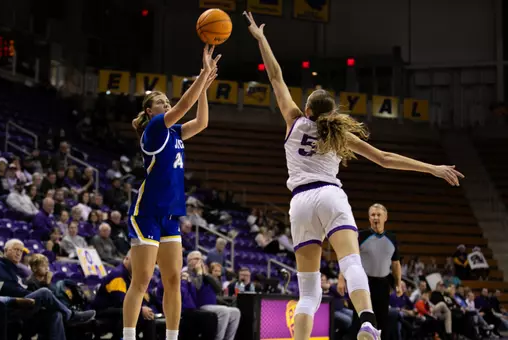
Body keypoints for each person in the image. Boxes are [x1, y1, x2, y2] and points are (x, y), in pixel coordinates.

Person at [243, 11, 464, 340]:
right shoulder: (339, 135)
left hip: (299, 203)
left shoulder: (293, 120)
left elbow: (275, 78)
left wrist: (262, 40)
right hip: (329, 195)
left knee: (308, 293)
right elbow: (385, 159)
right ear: (330, 114)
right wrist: (433, 168)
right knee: (351, 263)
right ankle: (367, 322)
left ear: (307, 110)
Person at [122, 45, 220, 340]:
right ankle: (128, 336)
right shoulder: (153, 129)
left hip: (170, 215)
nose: (166, 104)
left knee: (174, 280)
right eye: (160, 102)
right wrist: (202, 75)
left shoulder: (175, 132)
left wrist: (205, 87)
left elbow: (201, 122)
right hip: (147, 212)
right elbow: (181, 108)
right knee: (140, 282)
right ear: (149, 111)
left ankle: (173, 337)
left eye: (167, 100)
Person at [337, 204, 401, 340]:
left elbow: (396, 263)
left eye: (379, 214)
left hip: (383, 285)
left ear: (386, 217)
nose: (375, 217)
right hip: (363, 284)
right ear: (369, 218)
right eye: (373, 215)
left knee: (381, 322)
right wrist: (341, 279)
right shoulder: (360, 236)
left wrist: (398, 283)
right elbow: (348, 258)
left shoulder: (392, 238)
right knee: (359, 321)